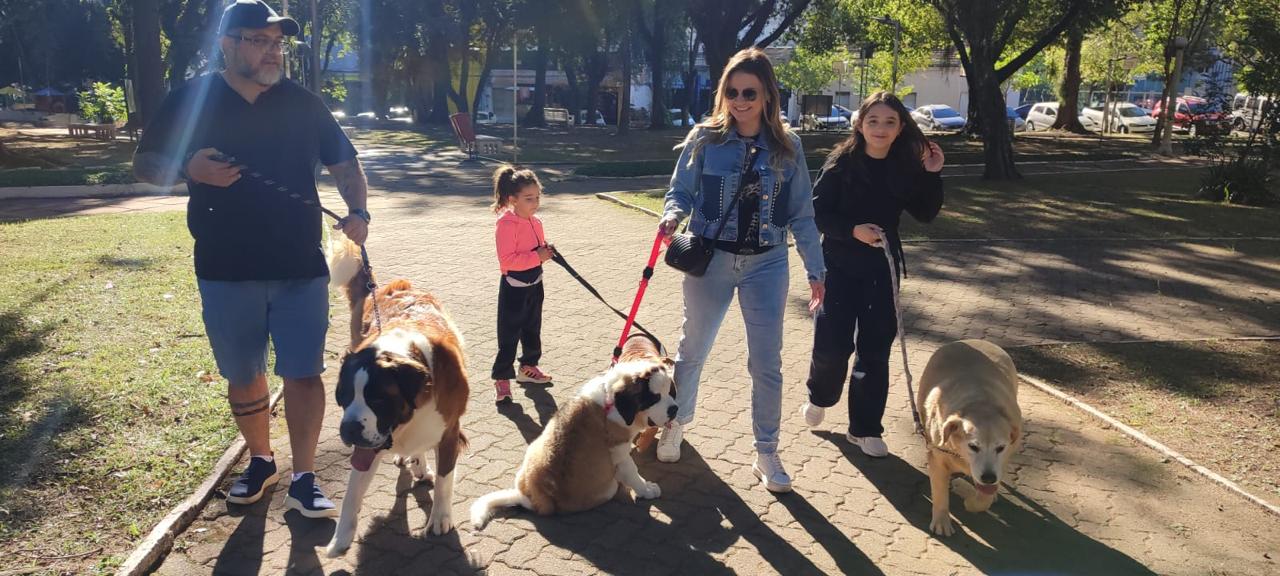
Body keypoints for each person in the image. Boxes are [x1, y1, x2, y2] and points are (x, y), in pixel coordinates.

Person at [132, 0, 370, 518]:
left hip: (299, 266)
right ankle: (261, 460)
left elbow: (346, 164)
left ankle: (304, 478)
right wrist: (187, 169)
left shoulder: (303, 103)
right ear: (228, 44)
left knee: (304, 373)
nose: (272, 52)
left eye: (277, 43)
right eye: (259, 41)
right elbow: (145, 163)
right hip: (225, 267)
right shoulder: (191, 99)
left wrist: (358, 211)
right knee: (243, 374)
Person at [655, 48, 825, 493]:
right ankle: (676, 422)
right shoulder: (705, 139)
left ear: (768, 94)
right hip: (710, 259)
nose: (740, 100)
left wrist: (816, 271)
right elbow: (680, 191)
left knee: (767, 363)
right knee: (692, 349)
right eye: (732, 92)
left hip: (767, 263)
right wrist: (671, 216)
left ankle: (766, 450)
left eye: (750, 92)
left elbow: (802, 213)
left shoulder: (788, 146)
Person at [800, 91, 945, 457]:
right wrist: (853, 231)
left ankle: (864, 428)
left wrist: (932, 174)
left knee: (875, 349)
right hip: (837, 265)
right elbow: (816, 213)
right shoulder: (841, 163)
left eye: (890, 122)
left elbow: (926, 213)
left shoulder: (904, 167)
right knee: (833, 346)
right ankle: (820, 395)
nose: (881, 128)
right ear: (860, 124)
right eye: (873, 121)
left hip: (882, 268)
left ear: (900, 128)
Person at [490, 165, 556, 404]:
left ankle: (528, 368)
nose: (535, 203)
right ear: (513, 200)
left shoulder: (536, 221)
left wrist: (544, 252)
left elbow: (536, 250)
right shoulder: (506, 224)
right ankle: (502, 378)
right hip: (514, 288)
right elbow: (507, 260)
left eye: (537, 197)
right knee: (509, 335)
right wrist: (537, 256)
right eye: (529, 198)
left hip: (535, 284)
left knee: (532, 330)